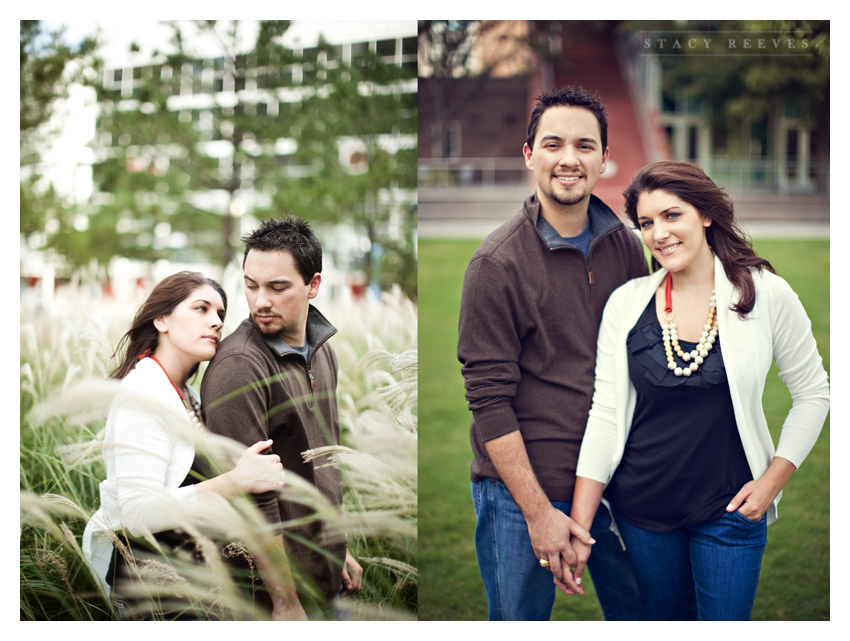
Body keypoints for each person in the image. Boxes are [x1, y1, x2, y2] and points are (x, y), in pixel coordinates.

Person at [568, 160, 830, 620]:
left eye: (672, 215)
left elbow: (813, 393)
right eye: (646, 223)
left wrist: (772, 481)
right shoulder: (627, 303)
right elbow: (605, 415)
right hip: (643, 510)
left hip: (732, 509)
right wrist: (581, 525)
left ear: (705, 214)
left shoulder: (765, 294)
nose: (658, 233)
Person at [457, 85, 649, 621]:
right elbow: (489, 400)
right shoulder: (495, 264)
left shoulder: (627, 246)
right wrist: (539, 513)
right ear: (529, 155)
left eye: (585, 146)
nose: (569, 159)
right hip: (522, 494)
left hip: (617, 482)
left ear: (605, 159)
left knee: (647, 618)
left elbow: (642, 363)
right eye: (553, 144)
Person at [82, 271, 288, 619]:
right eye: (201, 309)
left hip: (185, 569)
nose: (216, 322)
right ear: (161, 319)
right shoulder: (143, 394)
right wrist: (236, 481)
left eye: (220, 314)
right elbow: (136, 512)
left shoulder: (186, 392)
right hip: (149, 576)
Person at [201, 216, 363, 620]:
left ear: (313, 285)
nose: (260, 301)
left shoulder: (323, 349)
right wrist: (284, 601)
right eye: (250, 285)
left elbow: (324, 459)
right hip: (274, 599)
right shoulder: (239, 365)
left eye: (277, 287)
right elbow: (251, 497)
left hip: (325, 576)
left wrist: (338, 547)